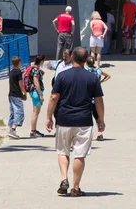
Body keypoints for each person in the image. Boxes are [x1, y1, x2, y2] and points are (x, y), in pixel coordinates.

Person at [46, 47, 105, 197]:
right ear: (86, 59)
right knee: (79, 155)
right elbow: (98, 100)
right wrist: (101, 120)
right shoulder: (92, 78)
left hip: (64, 119)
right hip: (84, 121)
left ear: (72, 57)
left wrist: (48, 117)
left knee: (62, 151)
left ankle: (64, 179)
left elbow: (53, 98)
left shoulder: (62, 76)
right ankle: (75, 188)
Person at [85, 55, 111, 141]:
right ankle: (100, 133)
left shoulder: (85, 71)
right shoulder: (98, 70)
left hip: (87, 97)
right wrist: (101, 82)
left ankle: (87, 133)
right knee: (98, 117)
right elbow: (108, 76)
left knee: (87, 116)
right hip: (96, 94)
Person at [8, 56, 27, 139]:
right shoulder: (18, 72)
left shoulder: (11, 72)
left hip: (11, 94)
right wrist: (24, 92)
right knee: (19, 112)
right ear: (18, 63)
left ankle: (11, 129)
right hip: (16, 94)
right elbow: (20, 83)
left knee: (12, 111)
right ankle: (13, 129)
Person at [30, 54, 47, 138]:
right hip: (36, 93)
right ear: (41, 61)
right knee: (35, 113)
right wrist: (40, 95)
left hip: (34, 92)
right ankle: (33, 131)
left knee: (35, 112)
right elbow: (36, 82)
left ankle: (34, 130)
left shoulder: (34, 68)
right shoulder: (36, 70)